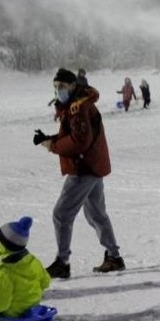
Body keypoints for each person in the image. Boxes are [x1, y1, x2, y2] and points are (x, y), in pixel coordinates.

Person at [34, 68, 125, 279]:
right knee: (96, 214)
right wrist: (51, 138)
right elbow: (75, 134)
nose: (58, 91)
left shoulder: (78, 108)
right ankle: (114, 257)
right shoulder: (77, 103)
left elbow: (80, 141)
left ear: (73, 86)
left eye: (62, 87)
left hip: (84, 168)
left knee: (61, 214)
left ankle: (62, 263)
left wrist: (53, 145)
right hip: (94, 166)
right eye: (55, 87)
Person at [0, 217, 50, 321]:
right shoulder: (33, 261)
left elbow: (1, 303)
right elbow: (45, 282)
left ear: (4, 245)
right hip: (30, 307)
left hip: (11, 312)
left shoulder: (4, 272)